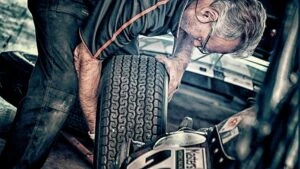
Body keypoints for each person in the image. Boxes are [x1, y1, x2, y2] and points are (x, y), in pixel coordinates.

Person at [0, 0, 266, 168]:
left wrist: (179, 61)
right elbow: (87, 55)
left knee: (122, 76)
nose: (198, 46)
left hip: (109, 9)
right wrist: (97, 130)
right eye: (204, 45)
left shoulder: (199, 8)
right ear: (208, 13)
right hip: (67, 3)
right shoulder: (146, 6)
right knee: (61, 86)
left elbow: (189, 29)